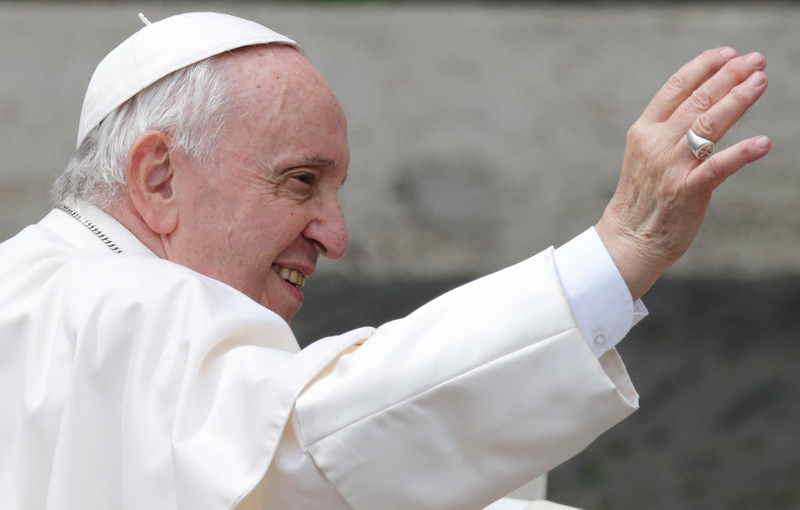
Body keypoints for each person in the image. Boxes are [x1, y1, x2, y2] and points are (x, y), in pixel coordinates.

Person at [0, 11, 770, 510]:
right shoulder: (129, 307)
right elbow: (321, 447)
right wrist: (620, 250)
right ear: (159, 178)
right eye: (300, 181)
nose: (335, 236)